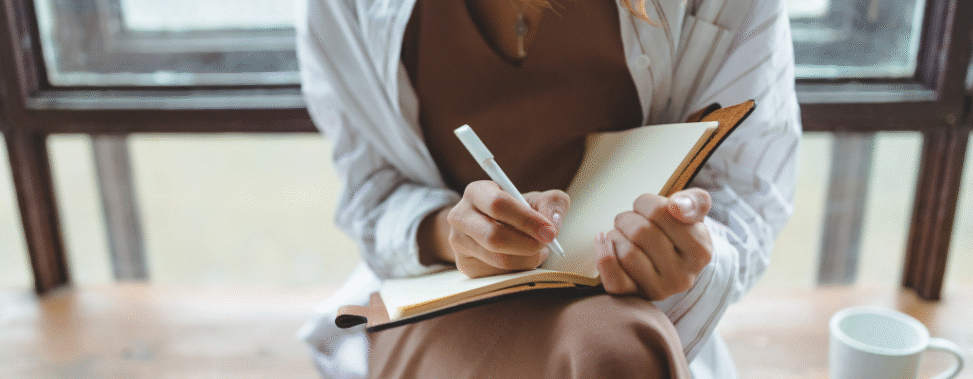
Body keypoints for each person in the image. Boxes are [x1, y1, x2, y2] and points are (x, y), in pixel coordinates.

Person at [296, 0, 801, 377]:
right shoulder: (343, 9)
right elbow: (373, 191)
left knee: (613, 350)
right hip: (441, 295)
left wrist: (688, 252)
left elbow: (745, 197)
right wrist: (451, 235)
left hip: (628, 307)